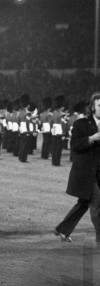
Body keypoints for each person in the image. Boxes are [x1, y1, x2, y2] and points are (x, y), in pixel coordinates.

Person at [54, 92, 100, 244]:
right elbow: (74, 146)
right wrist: (92, 138)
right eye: (99, 106)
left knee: (84, 203)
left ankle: (62, 229)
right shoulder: (81, 124)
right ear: (93, 108)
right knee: (97, 204)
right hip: (87, 174)